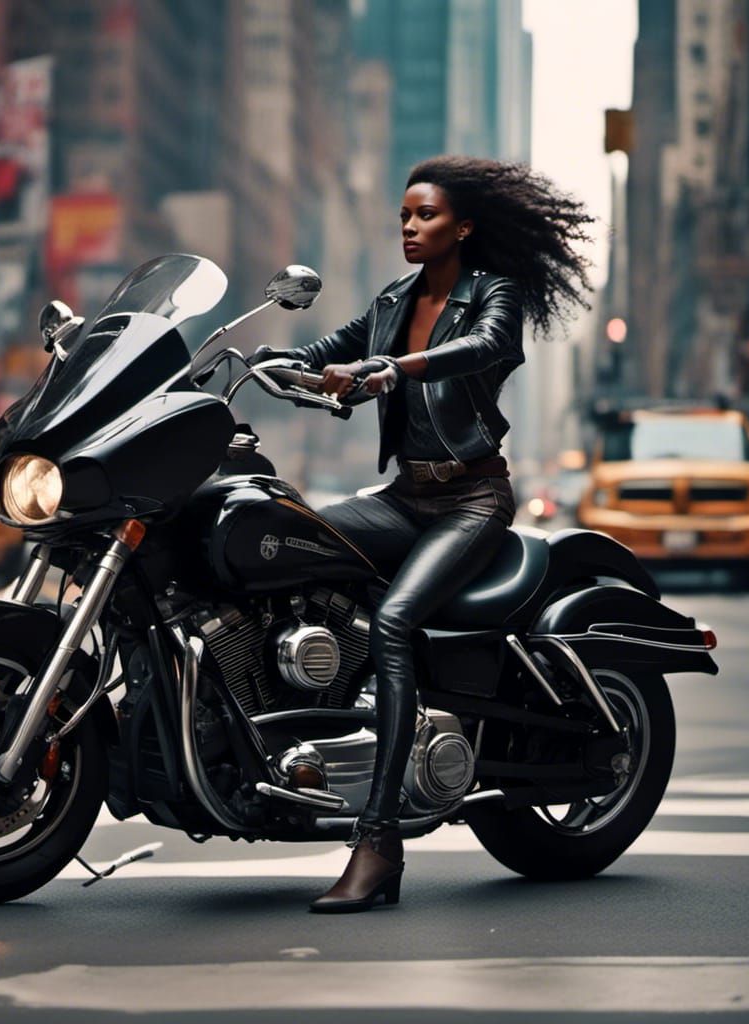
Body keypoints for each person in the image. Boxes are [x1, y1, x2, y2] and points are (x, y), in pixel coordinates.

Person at [255, 156, 594, 912]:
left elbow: (485, 348)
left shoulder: (494, 294)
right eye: (405, 216)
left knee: (395, 621)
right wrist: (266, 362)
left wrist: (392, 368)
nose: (409, 227)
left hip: (470, 500)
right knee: (284, 544)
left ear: (463, 227)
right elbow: (324, 351)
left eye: (426, 215)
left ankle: (380, 841)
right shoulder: (392, 300)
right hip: (405, 497)